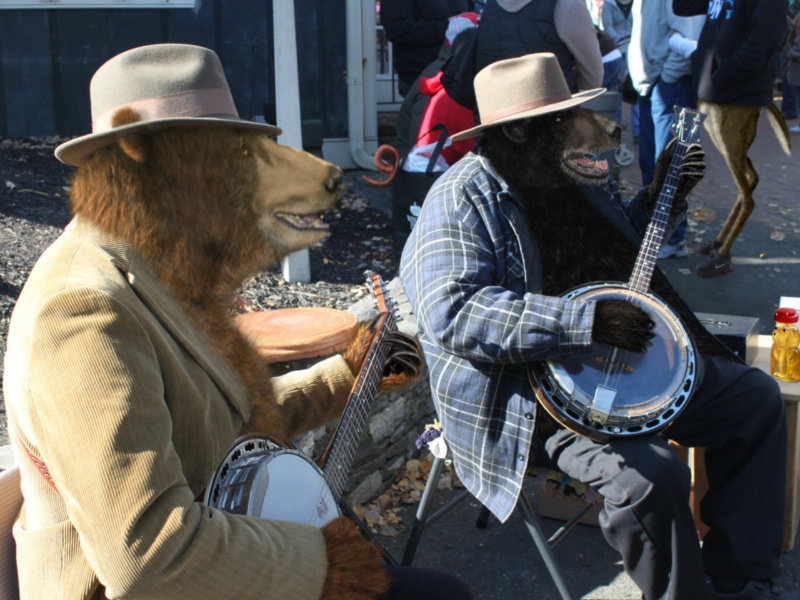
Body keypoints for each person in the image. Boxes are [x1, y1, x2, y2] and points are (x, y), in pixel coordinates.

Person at [4, 43, 474, 600]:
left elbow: (225, 422)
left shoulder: (159, 262)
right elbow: (148, 554)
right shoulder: (83, 308)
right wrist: (323, 566)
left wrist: (349, 374)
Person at [400, 52, 797, 600]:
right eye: (562, 121)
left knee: (754, 399)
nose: (585, 130)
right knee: (650, 479)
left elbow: (622, 250)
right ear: (517, 134)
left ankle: (744, 578)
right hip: (526, 395)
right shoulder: (461, 198)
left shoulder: (566, 169)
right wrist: (583, 321)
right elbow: (452, 311)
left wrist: (664, 199)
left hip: (625, 356)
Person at [627, 0, 704, 258]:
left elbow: (690, 41)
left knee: (672, 167)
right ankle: (660, 235)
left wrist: (666, 77)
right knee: (653, 163)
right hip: (654, 84)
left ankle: (672, 239)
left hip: (672, 85)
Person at [474, 0, 603, 93]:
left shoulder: (489, 6)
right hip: (550, 120)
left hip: (494, 119)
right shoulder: (568, 6)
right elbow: (593, 78)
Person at [380, 0, 473, 97]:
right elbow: (397, 29)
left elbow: (470, 14)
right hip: (422, 77)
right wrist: (447, 27)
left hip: (458, 73)